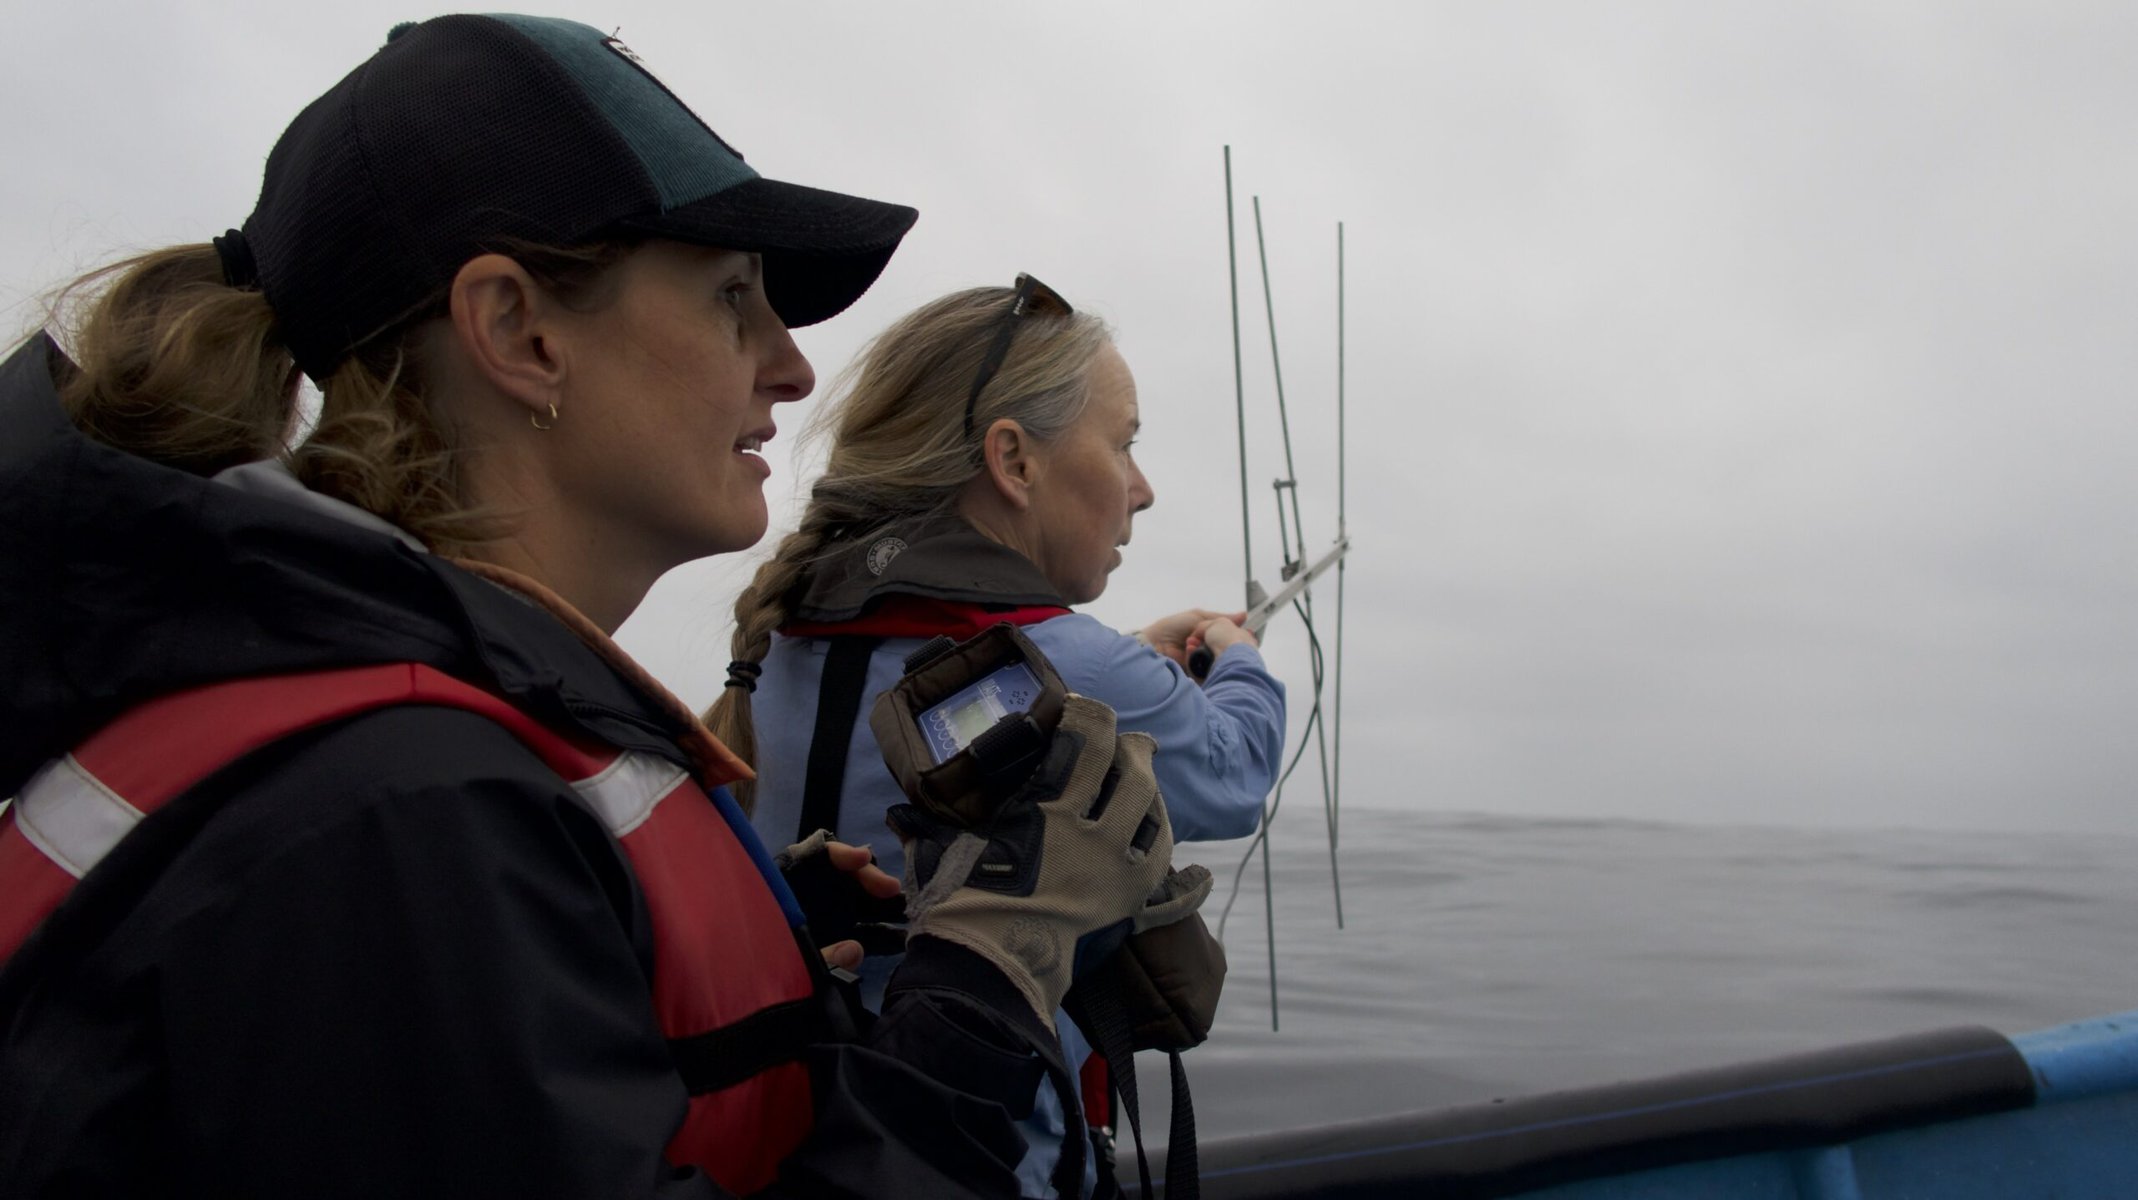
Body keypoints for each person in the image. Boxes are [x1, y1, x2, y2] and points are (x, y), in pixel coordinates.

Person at [0, 16, 1194, 1199]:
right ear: (519, 332)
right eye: (734, 296)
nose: (787, 365)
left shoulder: (394, 764)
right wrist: (992, 971)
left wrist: (715, 919)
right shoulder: (395, 822)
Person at [710, 275, 1288, 1194]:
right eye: (1125, 445)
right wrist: (1240, 652)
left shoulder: (780, 638)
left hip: (795, 1140)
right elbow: (1234, 775)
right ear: (1014, 461)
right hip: (982, 1153)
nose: (1142, 489)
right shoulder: (1084, 670)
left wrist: (1134, 655)